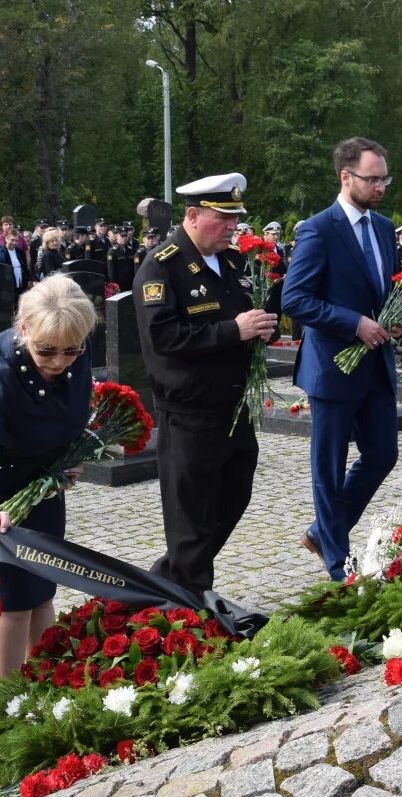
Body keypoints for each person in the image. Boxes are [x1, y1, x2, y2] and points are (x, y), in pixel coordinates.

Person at [0, 275, 98, 677]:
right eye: (47, 350)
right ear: (25, 328)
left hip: (42, 483)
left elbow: (73, 411)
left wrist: (71, 456)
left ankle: (46, 688)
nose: (59, 361)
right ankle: (6, 700)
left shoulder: (73, 344)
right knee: (11, 597)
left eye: (71, 351)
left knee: (42, 588)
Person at [134, 172, 277, 592]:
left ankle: (167, 582)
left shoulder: (232, 263)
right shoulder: (162, 266)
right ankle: (192, 606)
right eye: (223, 218)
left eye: (235, 219)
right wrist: (234, 331)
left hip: (232, 406)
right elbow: (164, 338)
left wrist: (260, 328)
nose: (233, 227)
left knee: (234, 497)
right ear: (193, 216)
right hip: (190, 411)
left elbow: (242, 320)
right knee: (191, 518)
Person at [281, 137, 402, 581]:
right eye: (372, 179)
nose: (380, 187)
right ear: (345, 177)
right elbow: (295, 299)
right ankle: (338, 562)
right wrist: (353, 323)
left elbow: (382, 289)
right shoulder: (318, 229)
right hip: (333, 366)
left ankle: (321, 531)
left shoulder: (385, 228)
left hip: (375, 363)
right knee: (327, 468)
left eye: (384, 179)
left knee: (383, 454)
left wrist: (395, 318)